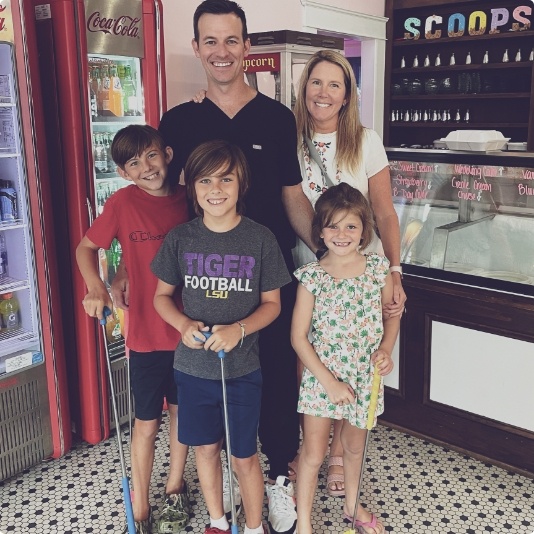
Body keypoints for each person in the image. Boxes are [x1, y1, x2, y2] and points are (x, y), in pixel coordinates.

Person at [113, 2, 314, 532]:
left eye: (232, 41)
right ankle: (215, 488)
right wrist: (126, 267)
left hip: (267, 278)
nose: (221, 52)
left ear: (248, 47)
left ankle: (274, 478)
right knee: (201, 391)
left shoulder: (277, 118)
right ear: (198, 48)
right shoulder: (179, 121)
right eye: (210, 41)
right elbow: (154, 196)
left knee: (271, 380)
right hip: (200, 284)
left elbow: (292, 196)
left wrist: (332, 253)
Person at [151, 139, 291, 534]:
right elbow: (161, 297)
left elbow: (273, 305)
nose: (216, 189)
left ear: (241, 183)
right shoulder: (181, 239)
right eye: (205, 180)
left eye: (225, 179)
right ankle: (216, 521)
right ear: (192, 187)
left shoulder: (260, 239)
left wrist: (239, 329)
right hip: (193, 371)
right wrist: (182, 325)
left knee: (244, 456)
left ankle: (251, 527)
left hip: (243, 371)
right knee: (206, 450)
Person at [291, 49, 407, 497]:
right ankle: (312, 446)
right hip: (311, 264)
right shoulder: (292, 138)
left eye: (334, 84)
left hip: (364, 267)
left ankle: (340, 453)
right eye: (315, 83)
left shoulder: (366, 140)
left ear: (347, 94)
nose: (323, 92)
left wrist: (394, 270)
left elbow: (384, 211)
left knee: (358, 360)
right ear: (305, 90)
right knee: (315, 358)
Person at [76, 125, 190, 534]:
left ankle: (175, 485)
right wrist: (98, 287)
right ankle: (140, 503)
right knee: (145, 423)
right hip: (144, 332)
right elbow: (87, 247)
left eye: (152, 156)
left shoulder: (190, 198)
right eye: (134, 163)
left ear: (168, 154)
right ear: (124, 172)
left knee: (182, 414)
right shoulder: (122, 203)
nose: (147, 167)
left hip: (189, 330)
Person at [291, 183, 400, 534]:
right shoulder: (312, 278)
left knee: (354, 448)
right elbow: (298, 337)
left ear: (364, 231)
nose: (342, 234)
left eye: (351, 226)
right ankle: (305, 523)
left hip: (364, 375)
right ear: (320, 231)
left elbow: (391, 315)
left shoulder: (377, 269)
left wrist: (386, 351)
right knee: (313, 453)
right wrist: (329, 383)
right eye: (333, 226)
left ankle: (352, 506)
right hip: (321, 379)